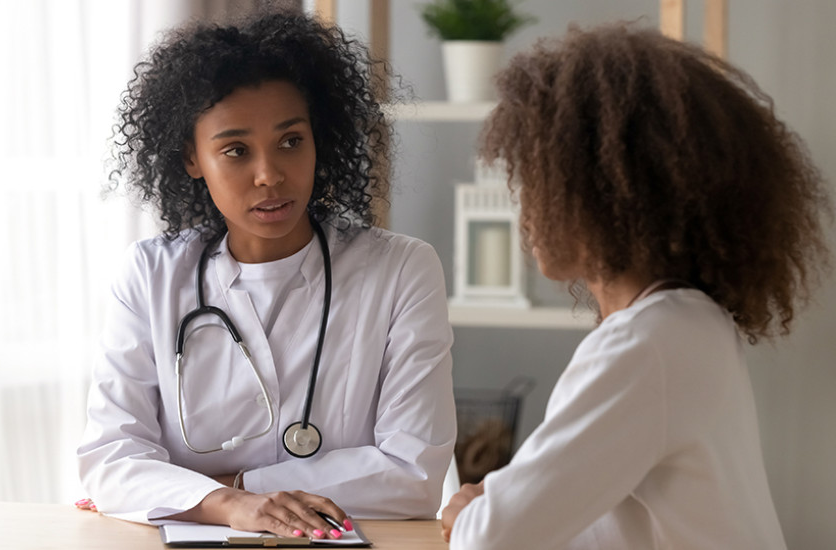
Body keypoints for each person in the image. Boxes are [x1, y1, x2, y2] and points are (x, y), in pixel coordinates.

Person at [441, 23, 831, 549]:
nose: (527, 212)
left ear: (615, 193)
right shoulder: (692, 321)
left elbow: (490, 540)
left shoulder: (643, 347)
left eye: (542, 183)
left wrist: (473, 509)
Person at [76, 8, 456, 540]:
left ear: (319, 140)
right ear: (191, 157)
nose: (269, 175)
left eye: (291, 141)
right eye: (235, 150)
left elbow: (413, 476)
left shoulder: (401, 270)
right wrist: (231, 504)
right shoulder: (150, 276)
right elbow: (111, 462)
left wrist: (224, 490)